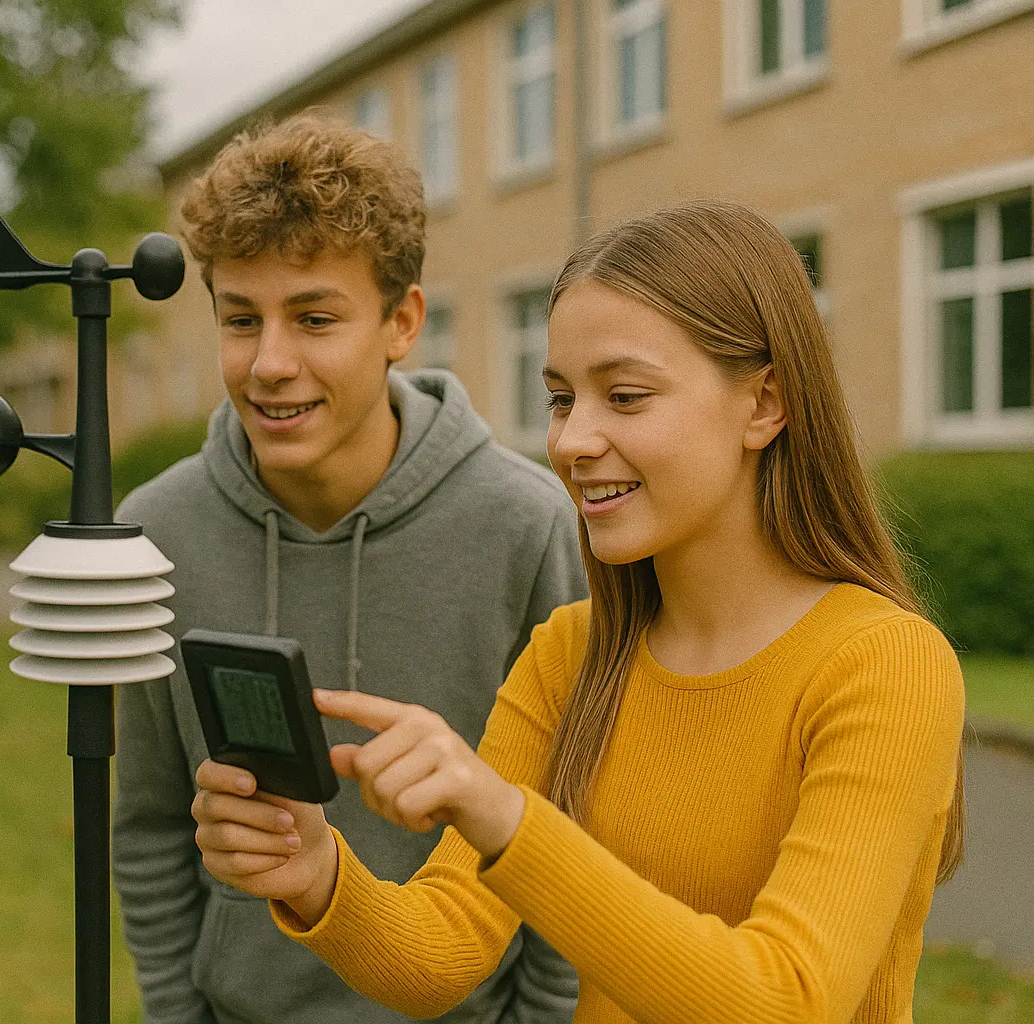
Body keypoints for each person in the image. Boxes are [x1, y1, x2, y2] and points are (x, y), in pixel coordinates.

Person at [192, 199, 967, 1024]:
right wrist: (317, 874)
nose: (570, 441)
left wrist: (506, 821)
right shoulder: (574, 651)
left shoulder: (883, 664)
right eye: (562, 398)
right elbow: (444, 951)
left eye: (625, 396)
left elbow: (785, 1000)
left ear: (765, 404)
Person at [113, 115, 586, 1024]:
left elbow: (571, 829)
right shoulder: (152, 534)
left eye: (316, 318)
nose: (271, 364)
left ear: (401, 321)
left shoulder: (527, 526)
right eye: (241, 320)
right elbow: (148, 826)